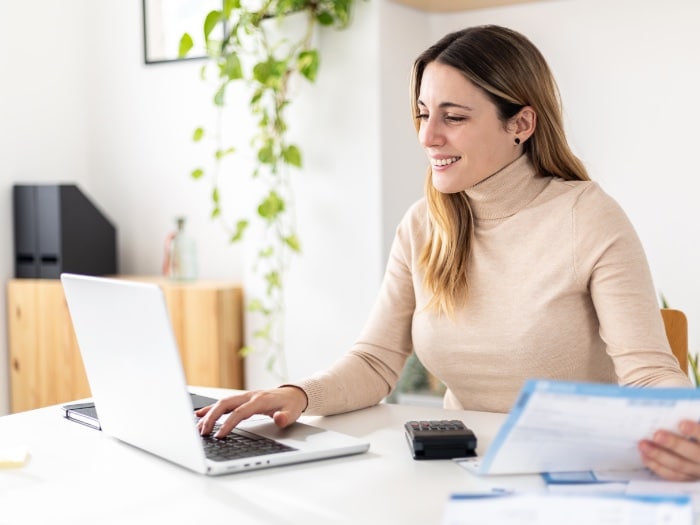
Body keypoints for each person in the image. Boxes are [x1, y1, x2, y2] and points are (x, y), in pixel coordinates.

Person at [197, 25, 698, 481]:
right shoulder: (423, 224)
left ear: (520, 123)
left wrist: (687, 432)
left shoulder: (586, 216)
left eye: (453, 117)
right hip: (460, 469)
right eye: (422, 113)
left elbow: (649, 374)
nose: (427, 136)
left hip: (575, 472)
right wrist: (297, 396)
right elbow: (375, 362)